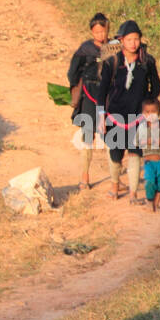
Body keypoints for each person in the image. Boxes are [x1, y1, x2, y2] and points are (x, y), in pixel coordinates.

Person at [98, 19, 160, 202]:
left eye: (136, 39)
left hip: (137, 115)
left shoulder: (147, 62)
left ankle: (133, 193)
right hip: (115, 115)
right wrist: (102, 115)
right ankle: (115, 186)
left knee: (135, 152)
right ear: (121, 40)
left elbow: (156, 87)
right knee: (116, 153)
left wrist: (148, 103)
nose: (134, 43)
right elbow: (102, 90)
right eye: (129, 39)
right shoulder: (112, 62)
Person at [66, 12, 110, 190]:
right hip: (89, 96)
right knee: (88, 134)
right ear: (92, 32)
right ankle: (84, 176)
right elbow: (73, 73)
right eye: (97, 32)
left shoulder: (115, 48)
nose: (101, 35)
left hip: (108, 96)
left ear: (108, 29)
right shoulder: (85, 49)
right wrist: (77, 87)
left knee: (112, 135)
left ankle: (116, 179)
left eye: (103, 31)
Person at [138, 98, 160, 212]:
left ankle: (157, 204)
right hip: (149, 162)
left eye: (153, 112)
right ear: (143, 114)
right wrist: (148, 141)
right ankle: (150, 200)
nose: (150, 115)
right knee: (150, 182)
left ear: (159, 112)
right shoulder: (143, 127)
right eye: (147, 112)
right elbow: (137, 141)